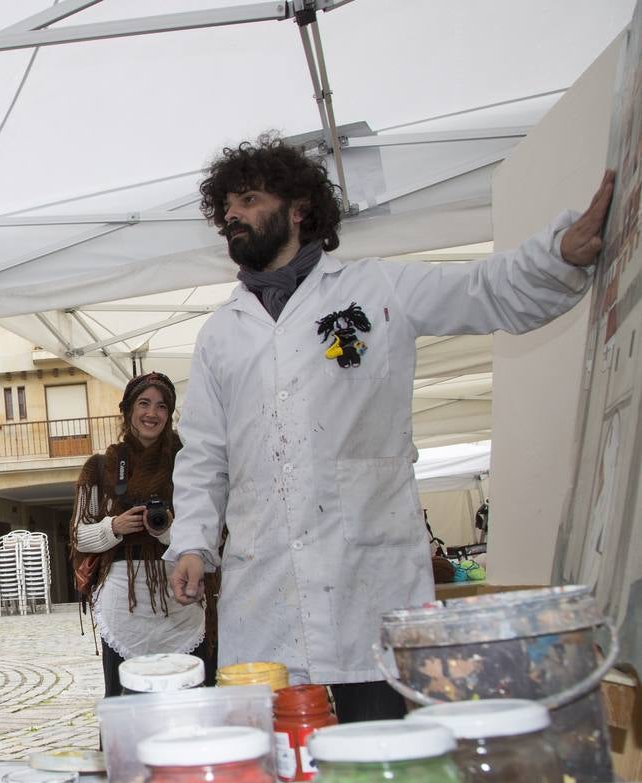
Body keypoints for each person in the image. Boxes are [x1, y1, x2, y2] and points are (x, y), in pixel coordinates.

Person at [166, 135, 615, 721]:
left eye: (248, 200)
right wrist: (193, 542)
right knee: (277, 770)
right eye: (226, 208)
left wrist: (559, 256)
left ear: (299, 209)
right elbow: (204, 454)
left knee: (381, 754)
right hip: (266, 591)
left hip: (368, 586)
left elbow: (484, 290)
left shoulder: (376, 292)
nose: (233, 217)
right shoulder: (221, 334)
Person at [72, 372, 203, 697]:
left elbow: (208, 530)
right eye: (144, 403)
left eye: (162, 406)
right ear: (128, 410)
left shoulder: (188, 463)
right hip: (121, 602)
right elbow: (77, 535)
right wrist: (113, 527)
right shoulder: (100, 467)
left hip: (180, 595)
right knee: (125, 698)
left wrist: (169, 531)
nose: (152, 413)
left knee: (187, 693)